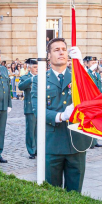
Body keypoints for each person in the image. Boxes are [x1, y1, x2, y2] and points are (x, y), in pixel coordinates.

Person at [31, 38, 92, 193]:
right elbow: (38, 109)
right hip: (52, 143)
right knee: (52, 193)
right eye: (56, 49)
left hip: (76, 142)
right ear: (49, 56)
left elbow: (92, 96)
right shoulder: (40, 80)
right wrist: (60, 116)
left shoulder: (78, 77)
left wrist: (81, 67)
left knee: (75, 194)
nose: (61, 52)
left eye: (64, 49)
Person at [18, 58, 38, 159]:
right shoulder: (25, 77)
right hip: (30, 107)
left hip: (41, 107)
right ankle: (31, 150)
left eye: (38, 67)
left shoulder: (43, 77)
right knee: (31, 130)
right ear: (30, 68)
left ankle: (39, 148)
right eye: (35, 67)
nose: (37, 69)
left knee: (40, 130)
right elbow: (20, 87)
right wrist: (31, 79)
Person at [86, 56, 102, 149]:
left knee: (96, 121)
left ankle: (95, 140)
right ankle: (90, 141)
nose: (94, 64)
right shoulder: (87, 73)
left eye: (95, 62)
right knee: (90, 120)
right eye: (92, 63)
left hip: (97, 99)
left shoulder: (96, 74)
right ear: (87, 64)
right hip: (90, 100)